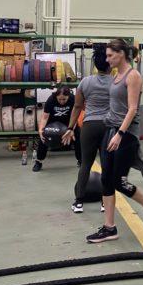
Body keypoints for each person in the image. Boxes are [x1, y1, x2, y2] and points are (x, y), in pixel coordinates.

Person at [86, 39, 143, 243]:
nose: (107, 59)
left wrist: (120, 133)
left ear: (121, 54)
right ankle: (109, 228)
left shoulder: (133, 75)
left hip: (125, 135)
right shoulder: (116, 75)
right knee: (105, 180)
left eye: (111, 55)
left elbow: (133, 108)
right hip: (111, 130)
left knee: (119, 182)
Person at [63, 43, 112, 214]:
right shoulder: (116, 82)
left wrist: (70, 127)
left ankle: (78, 202)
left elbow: (77, 107)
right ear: (109, 64)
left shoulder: (85, 82)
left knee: (85, 164)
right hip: (108, 127)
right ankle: (105, 203)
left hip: (89, 126)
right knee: (107, 165)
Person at [33, 86, 81, 172]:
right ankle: (38, 162)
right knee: (43, 138)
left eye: (64, 99)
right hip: (52, 122)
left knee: (77, 137)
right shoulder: (51, 100)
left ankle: (81, 161)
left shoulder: (73, 99)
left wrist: (72, 129)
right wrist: (41, 130)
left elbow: (75, 116)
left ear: (68, 96)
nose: (62, 101)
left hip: (69, 122)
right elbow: (44, 117)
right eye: (59, 99)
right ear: (56, 96)